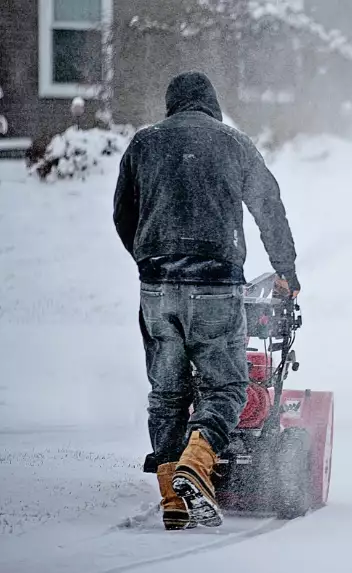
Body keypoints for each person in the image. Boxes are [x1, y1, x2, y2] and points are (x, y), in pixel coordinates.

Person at [113, 71, 299, 530]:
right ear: (211, 105)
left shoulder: (143, 143)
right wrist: (287, 271)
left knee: (167, 394)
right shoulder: (234, 143)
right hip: (216, 283)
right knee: (226, 388)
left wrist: (149, 258)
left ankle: (172, 500)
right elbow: (268, 205)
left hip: (157, 285)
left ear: (171, 105)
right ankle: (196, 465)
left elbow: (123, 213)